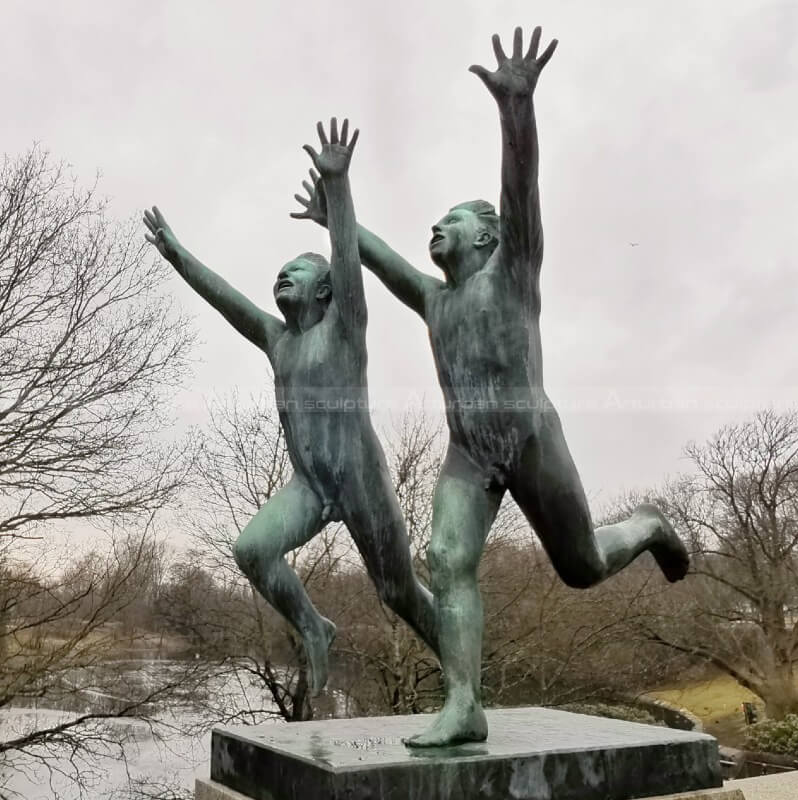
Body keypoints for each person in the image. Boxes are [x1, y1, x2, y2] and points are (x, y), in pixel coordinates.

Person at [294, 29, 689, 745]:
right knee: (446, 561)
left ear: (486, 238)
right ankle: (464, 701)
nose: (434, 230)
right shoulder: (436, 299)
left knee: (582, 567)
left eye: (449, 223)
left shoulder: (513, 272)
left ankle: (650, 525)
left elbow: (521, 185)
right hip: (468, 457)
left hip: (532, 441)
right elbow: (375, 261)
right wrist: (337, 214)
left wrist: (516, 110)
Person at [144, 118, 438, 695]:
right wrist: (177, 255)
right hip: (310, 485)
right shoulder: (279, 340)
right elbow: (225, 297)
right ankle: (315, 626)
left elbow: (347, 259)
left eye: (296, 271)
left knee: (398, 591)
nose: (283, 275)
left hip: (359, 480)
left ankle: (460, 673)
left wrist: (338, 188)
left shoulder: (346, 327)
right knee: (251, 550)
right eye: (280, 272)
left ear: (324, 291)